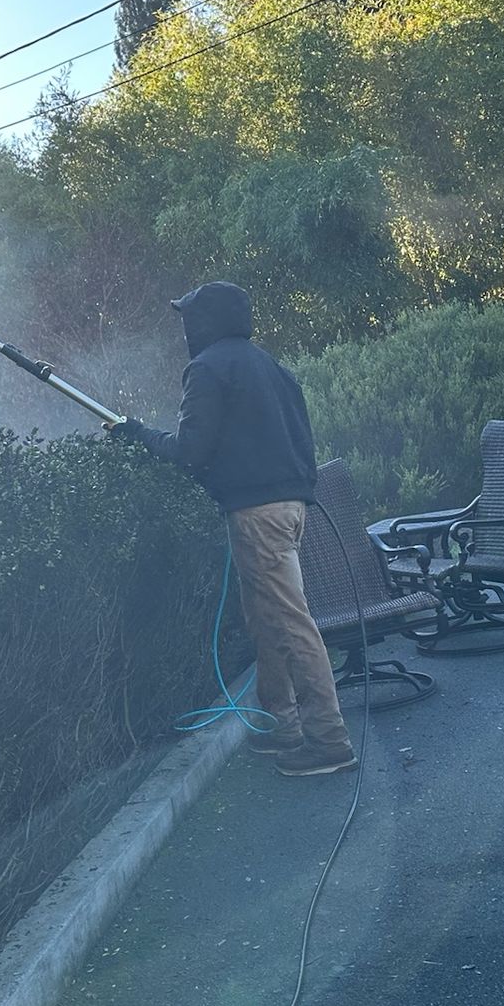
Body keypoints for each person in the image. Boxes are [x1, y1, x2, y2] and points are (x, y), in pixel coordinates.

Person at [108, 281, 354, 777]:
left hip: (257, 517)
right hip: (291, 509)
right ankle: (280, 727)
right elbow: (301, 439)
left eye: (188, 318)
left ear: (205, 321)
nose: (184, 327)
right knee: (265, 622)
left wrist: (135, 434)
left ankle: (329, 741)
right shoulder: (271, 366)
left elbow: (189, 451)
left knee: (289, 623)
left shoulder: (206, 369)